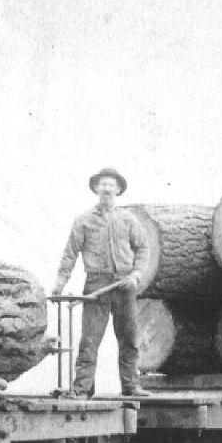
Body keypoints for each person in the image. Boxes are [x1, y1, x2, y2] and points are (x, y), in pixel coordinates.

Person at [54, 168, 150, 397]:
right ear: (96, 188)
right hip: (97, 285)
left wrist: (136, 275)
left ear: (118, 190)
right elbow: (70, 253)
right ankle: (83, 388)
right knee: (90, 339)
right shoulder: (84, 221)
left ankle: (130, 386)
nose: (107, 188)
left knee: (129, 338)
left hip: (124, 285)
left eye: (111, 185)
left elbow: (143, 248)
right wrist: (60, 283)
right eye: (103, 184)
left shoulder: (128, 219)